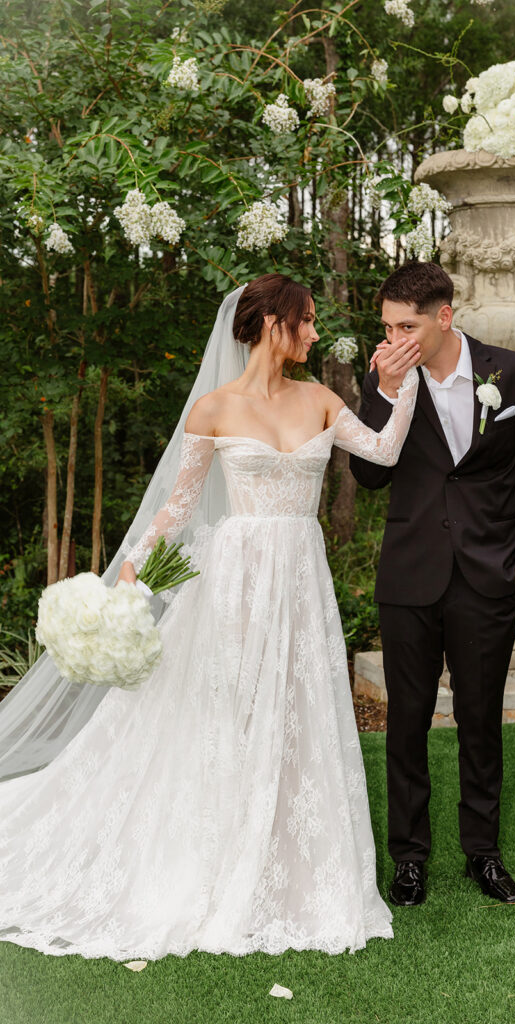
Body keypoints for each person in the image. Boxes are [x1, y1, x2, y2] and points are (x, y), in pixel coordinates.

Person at [0, 274, 420, 960]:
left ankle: (288, 861)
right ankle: (214, 849)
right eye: (306, 321)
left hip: (298, 580)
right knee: (223, 710)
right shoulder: (213, 408)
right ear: (272, 325)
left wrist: (396, 392)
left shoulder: (320, 398)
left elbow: (384, 451)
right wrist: (128, 574)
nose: (315, 333)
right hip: (232, 579)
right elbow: (178, 505)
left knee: (293, 707)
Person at [349, 262, 515, 907]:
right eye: (386, 326)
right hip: (410, 574)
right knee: (407, 722)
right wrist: (383, 392)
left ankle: (484, 855)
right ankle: (410, 858)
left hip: (490, 572)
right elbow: (368, 478)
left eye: (405, 325)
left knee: (480, 719)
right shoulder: (384, 375)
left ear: (445, 317)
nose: (392, 338)